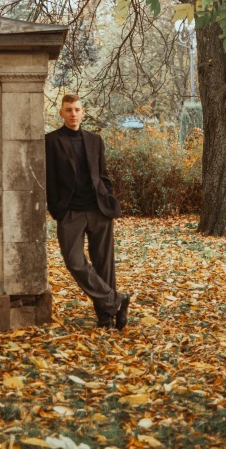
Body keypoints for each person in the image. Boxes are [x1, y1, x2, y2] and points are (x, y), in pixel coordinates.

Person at [45, 93, 131, 330]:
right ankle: (116, 301)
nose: (73, 113)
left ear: (83, 112)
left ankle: (106, 319)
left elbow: (102, 174)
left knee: (104, 264)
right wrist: (56, 209)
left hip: (98, 210)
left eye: (77, 109)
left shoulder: (95, 140)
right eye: (69, 109)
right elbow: (50, 179)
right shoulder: (50, 141)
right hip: (70, 212)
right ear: (61, 113)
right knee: (74, 261)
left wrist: (108, 197)